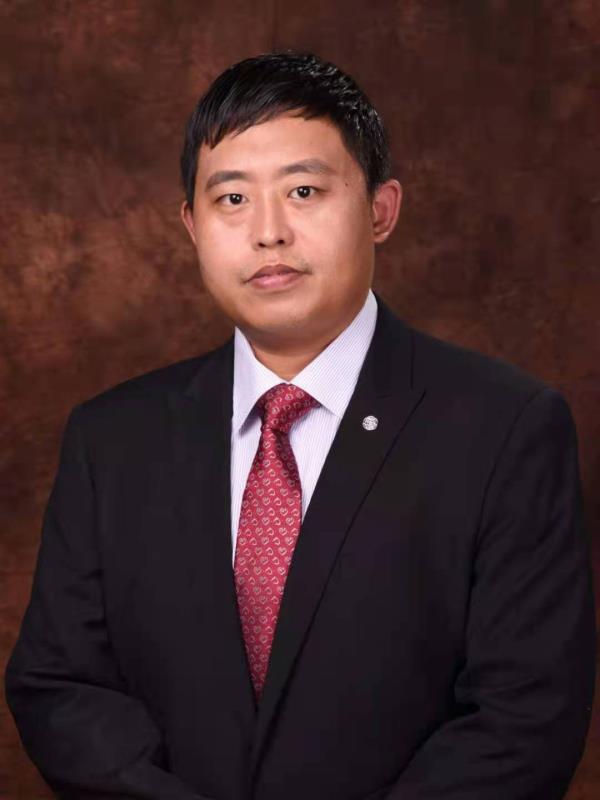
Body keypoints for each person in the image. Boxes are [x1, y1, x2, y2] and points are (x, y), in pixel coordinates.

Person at [5, 50, 596, 800]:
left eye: (304, 190)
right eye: (232, 199)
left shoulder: (506, 428)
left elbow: (525, 720)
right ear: (191, 225)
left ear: (380, 210)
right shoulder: (111, 440)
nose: (268, 232)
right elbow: (61, 686)